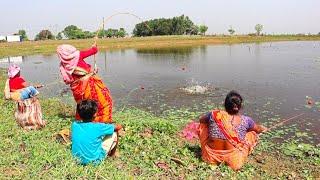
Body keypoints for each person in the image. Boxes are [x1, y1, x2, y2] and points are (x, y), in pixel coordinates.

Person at [198, 90, 267, 170]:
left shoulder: (214, 114)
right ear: (240, 106)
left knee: (203, 126)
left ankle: (214, 159)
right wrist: (263, 128)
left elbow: (201, 120)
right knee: (251, 134)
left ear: (225, 105)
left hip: (210, 157)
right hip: (234, 161)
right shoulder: (246, 120)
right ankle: (233, 157)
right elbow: (258, 129)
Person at [57, 43, 113, 123]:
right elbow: (94, 51)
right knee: (104, 101)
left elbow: (75, 77)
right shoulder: (78, 55)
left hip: (78, 88)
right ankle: (102, 121)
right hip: (88, 86)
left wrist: (92, 72)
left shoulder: (64, 64)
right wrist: (94, 47)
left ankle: (83, 120)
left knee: (83, 104)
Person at [71, 100, 122, 165]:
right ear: (95, 114)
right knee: (114, 132)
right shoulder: (99, 126)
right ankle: (112, 155)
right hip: (94, 161)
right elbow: (117, 127)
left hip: (77, 159)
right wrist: (121, 125)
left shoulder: (75, 125)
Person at [4, 64, 46, 130]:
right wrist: (36, 86)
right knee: (31, 88)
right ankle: (36, 95)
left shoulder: (10, 80)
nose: (20, 72)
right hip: (20, 95)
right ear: (17, 73)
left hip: (14, 96)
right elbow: (27, 85)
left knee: (30, 89)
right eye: (19, 71)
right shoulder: (19, 79)